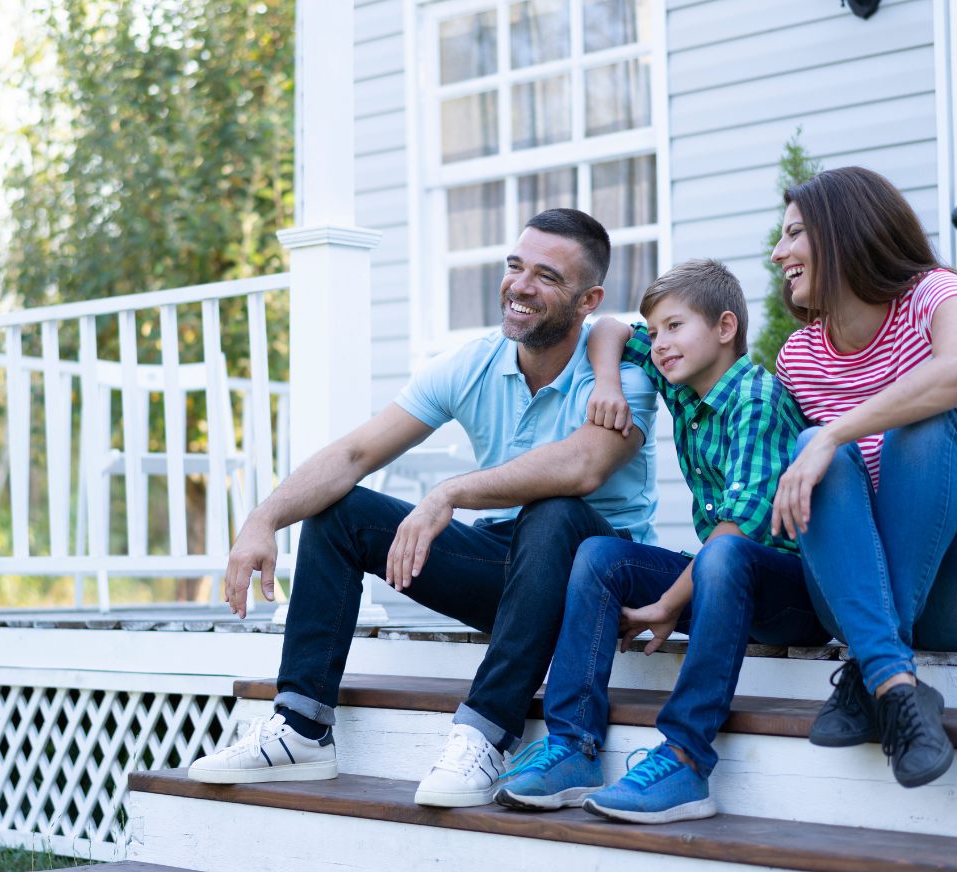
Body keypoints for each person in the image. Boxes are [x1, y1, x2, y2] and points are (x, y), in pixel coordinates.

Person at [186, 208, 661, 807]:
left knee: (554, 511)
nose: (520, 286)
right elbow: (357, 452)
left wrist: (450, 492)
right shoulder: (474, 363)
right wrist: (262, 520)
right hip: (511, 571)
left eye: (547, 276)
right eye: (515, 267)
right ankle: (302, 729)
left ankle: (484, 736)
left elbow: (583, 467)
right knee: (342, 511)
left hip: (599, 582)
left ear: (588, 299)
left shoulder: (622, 373)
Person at [493, 259, 828, 823]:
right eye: (660, 329)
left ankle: (685, 760)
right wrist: (606, 384)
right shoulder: (686, 388)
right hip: (720, 579)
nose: (662, 343)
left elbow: (739, 530)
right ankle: (573, 747)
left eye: (676, 326)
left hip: (791, 592)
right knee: (600, 556)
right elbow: (611, 329)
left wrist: (669, 602)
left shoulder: (756, 400)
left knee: (722, 552)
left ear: (725, 329)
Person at [769, 166, 957, 788]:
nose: (778, 252)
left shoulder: (936, 293)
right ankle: (895, 684)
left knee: (920, 424)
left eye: (794, 233)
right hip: (859, 597)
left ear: (844, 231)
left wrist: (839, 432)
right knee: (815, 445)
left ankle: (869, 668)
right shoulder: (800, 357)